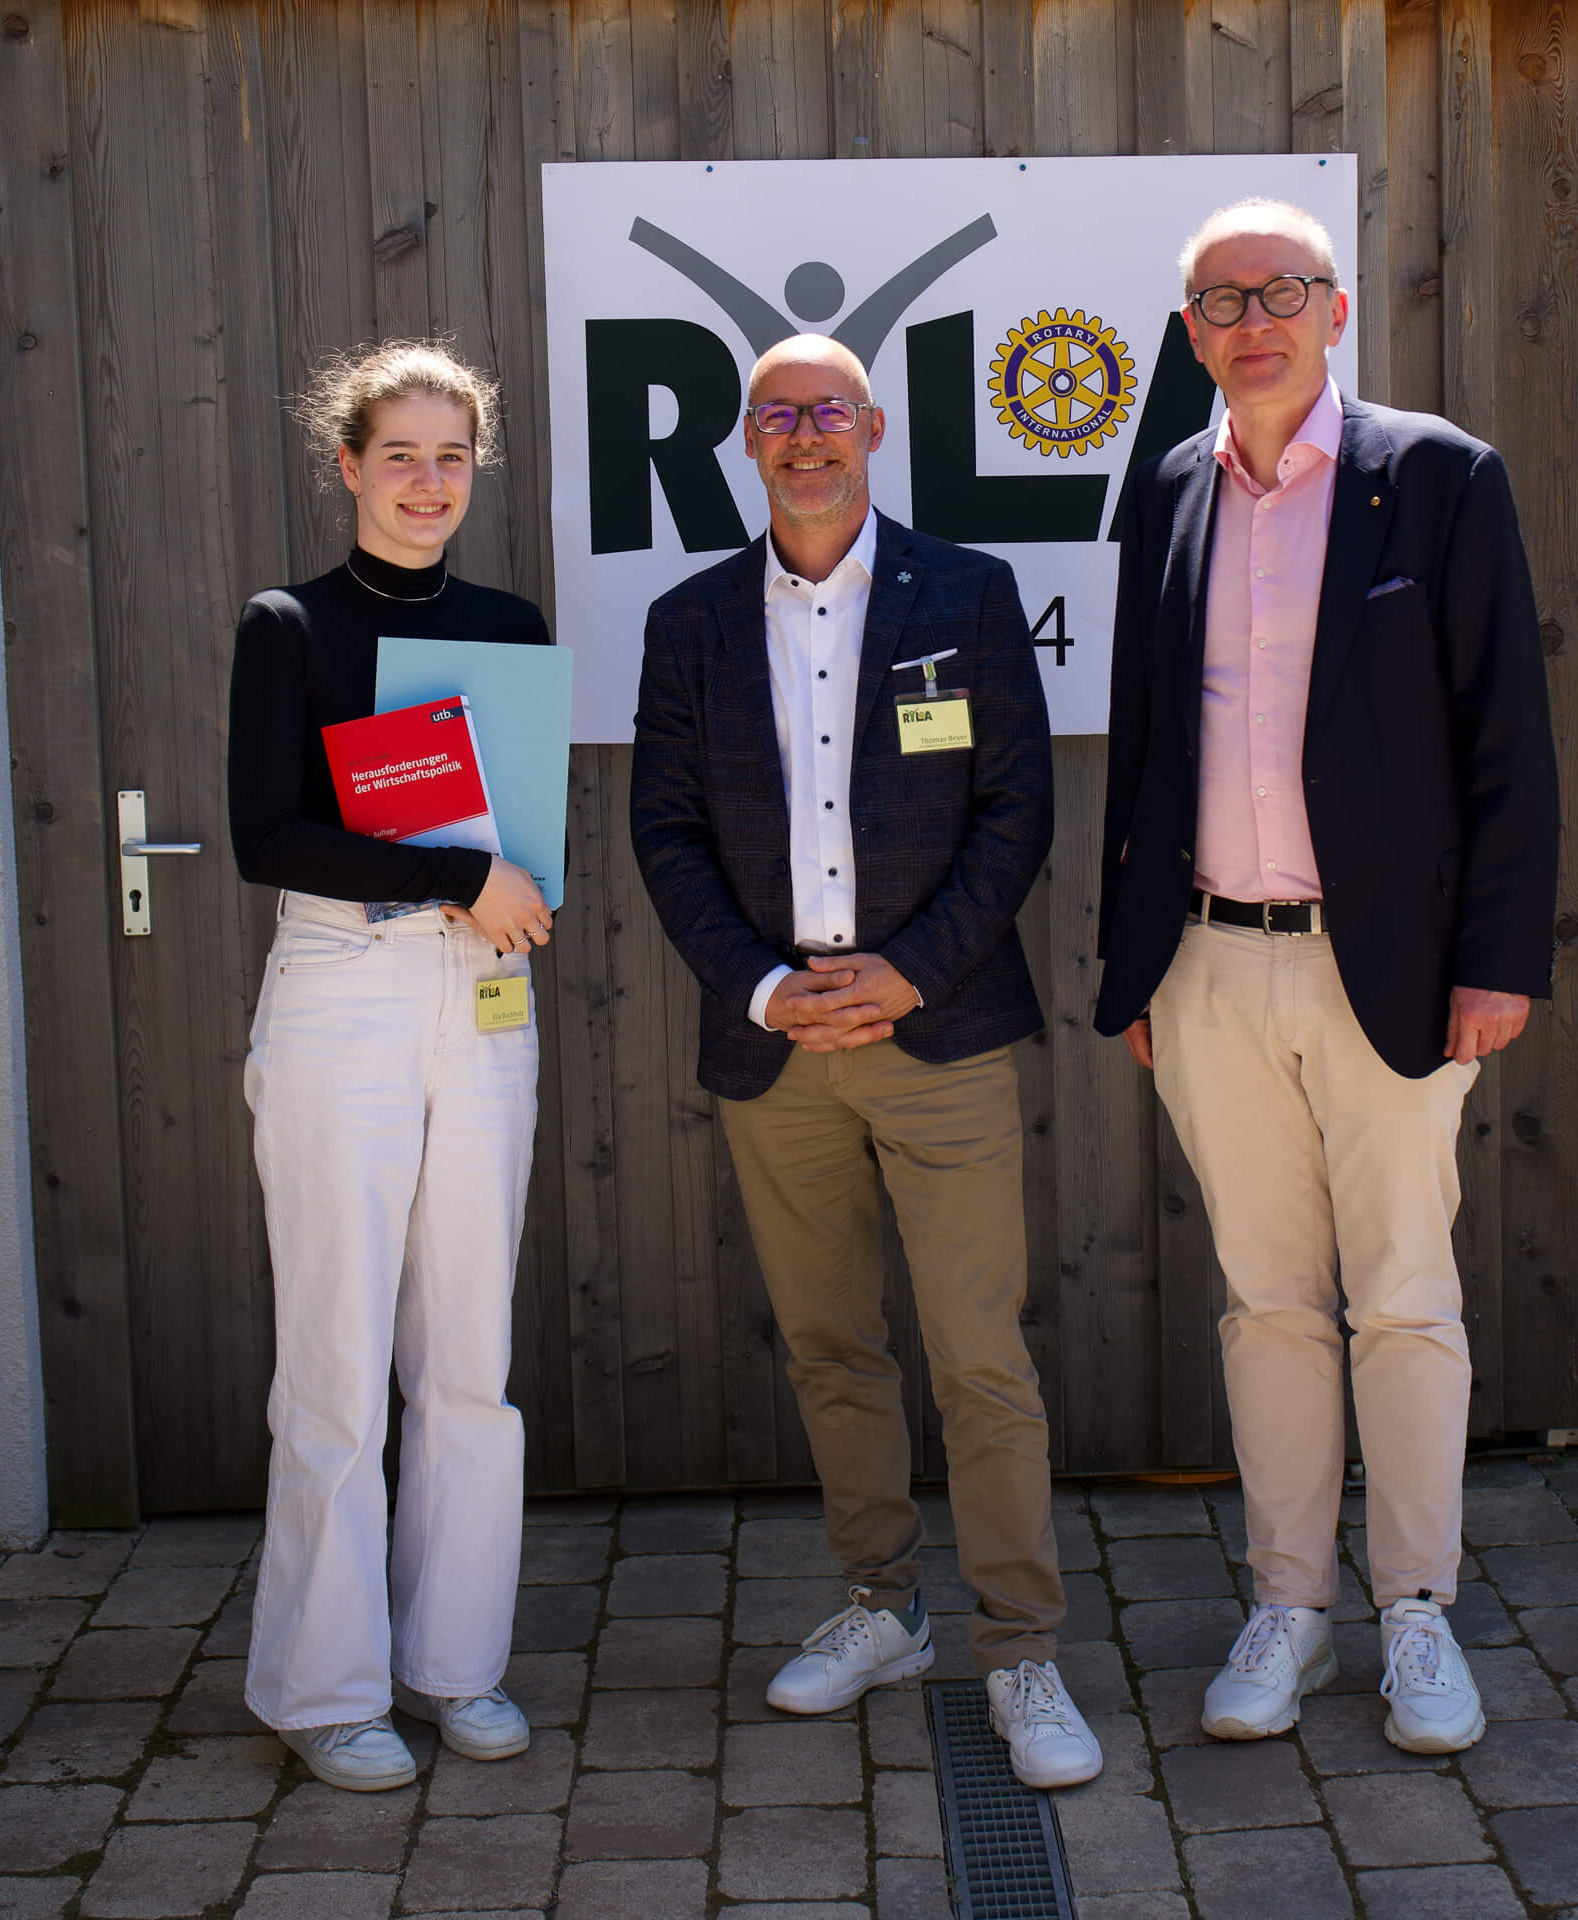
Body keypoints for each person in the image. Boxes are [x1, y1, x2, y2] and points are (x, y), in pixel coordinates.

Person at [1096, 201, 1559, 1755]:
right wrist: (1136, 967)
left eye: (1282, 291)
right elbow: (1143, 742)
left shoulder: (1437, 477)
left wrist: (1496, 960)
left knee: (1405, 1298)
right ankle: (1288, 1606)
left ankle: (1416, 1611)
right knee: (1267, 1302)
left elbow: (1509, 740)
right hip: (1209, 964)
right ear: (1190, 334)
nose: (1255, 321)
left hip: (1395, 972)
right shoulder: (1171, 488)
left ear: (1336, 310)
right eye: (1223, 300)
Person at [630, 333, 1101, 1789]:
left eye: (829, 410)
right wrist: (768, 988)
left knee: (978, 1355)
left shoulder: (967, 593)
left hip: (936, 1030)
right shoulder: (691, 622)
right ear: (747, 442)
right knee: (832, 1344)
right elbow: (666, 832)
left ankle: (1020, 1648)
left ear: (875, 429)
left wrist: (910, 969)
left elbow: (1015, 811)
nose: (806, 435)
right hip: (775, 1046)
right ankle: (881, 1608)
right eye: (777, 416)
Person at [228, 341, 554, 1791]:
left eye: (452, 457)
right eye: (401, 455)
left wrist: (499, 880)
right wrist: (458, 872)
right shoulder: (288, 623)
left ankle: (453, 1663)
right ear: (349, 465)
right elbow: (266, 836)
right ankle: (324, 1687)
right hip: (342, 988)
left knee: (470, 1353)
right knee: (339, 1354)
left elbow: (517, 822)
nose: (429, 482)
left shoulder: (504, 625)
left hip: (480, 988)